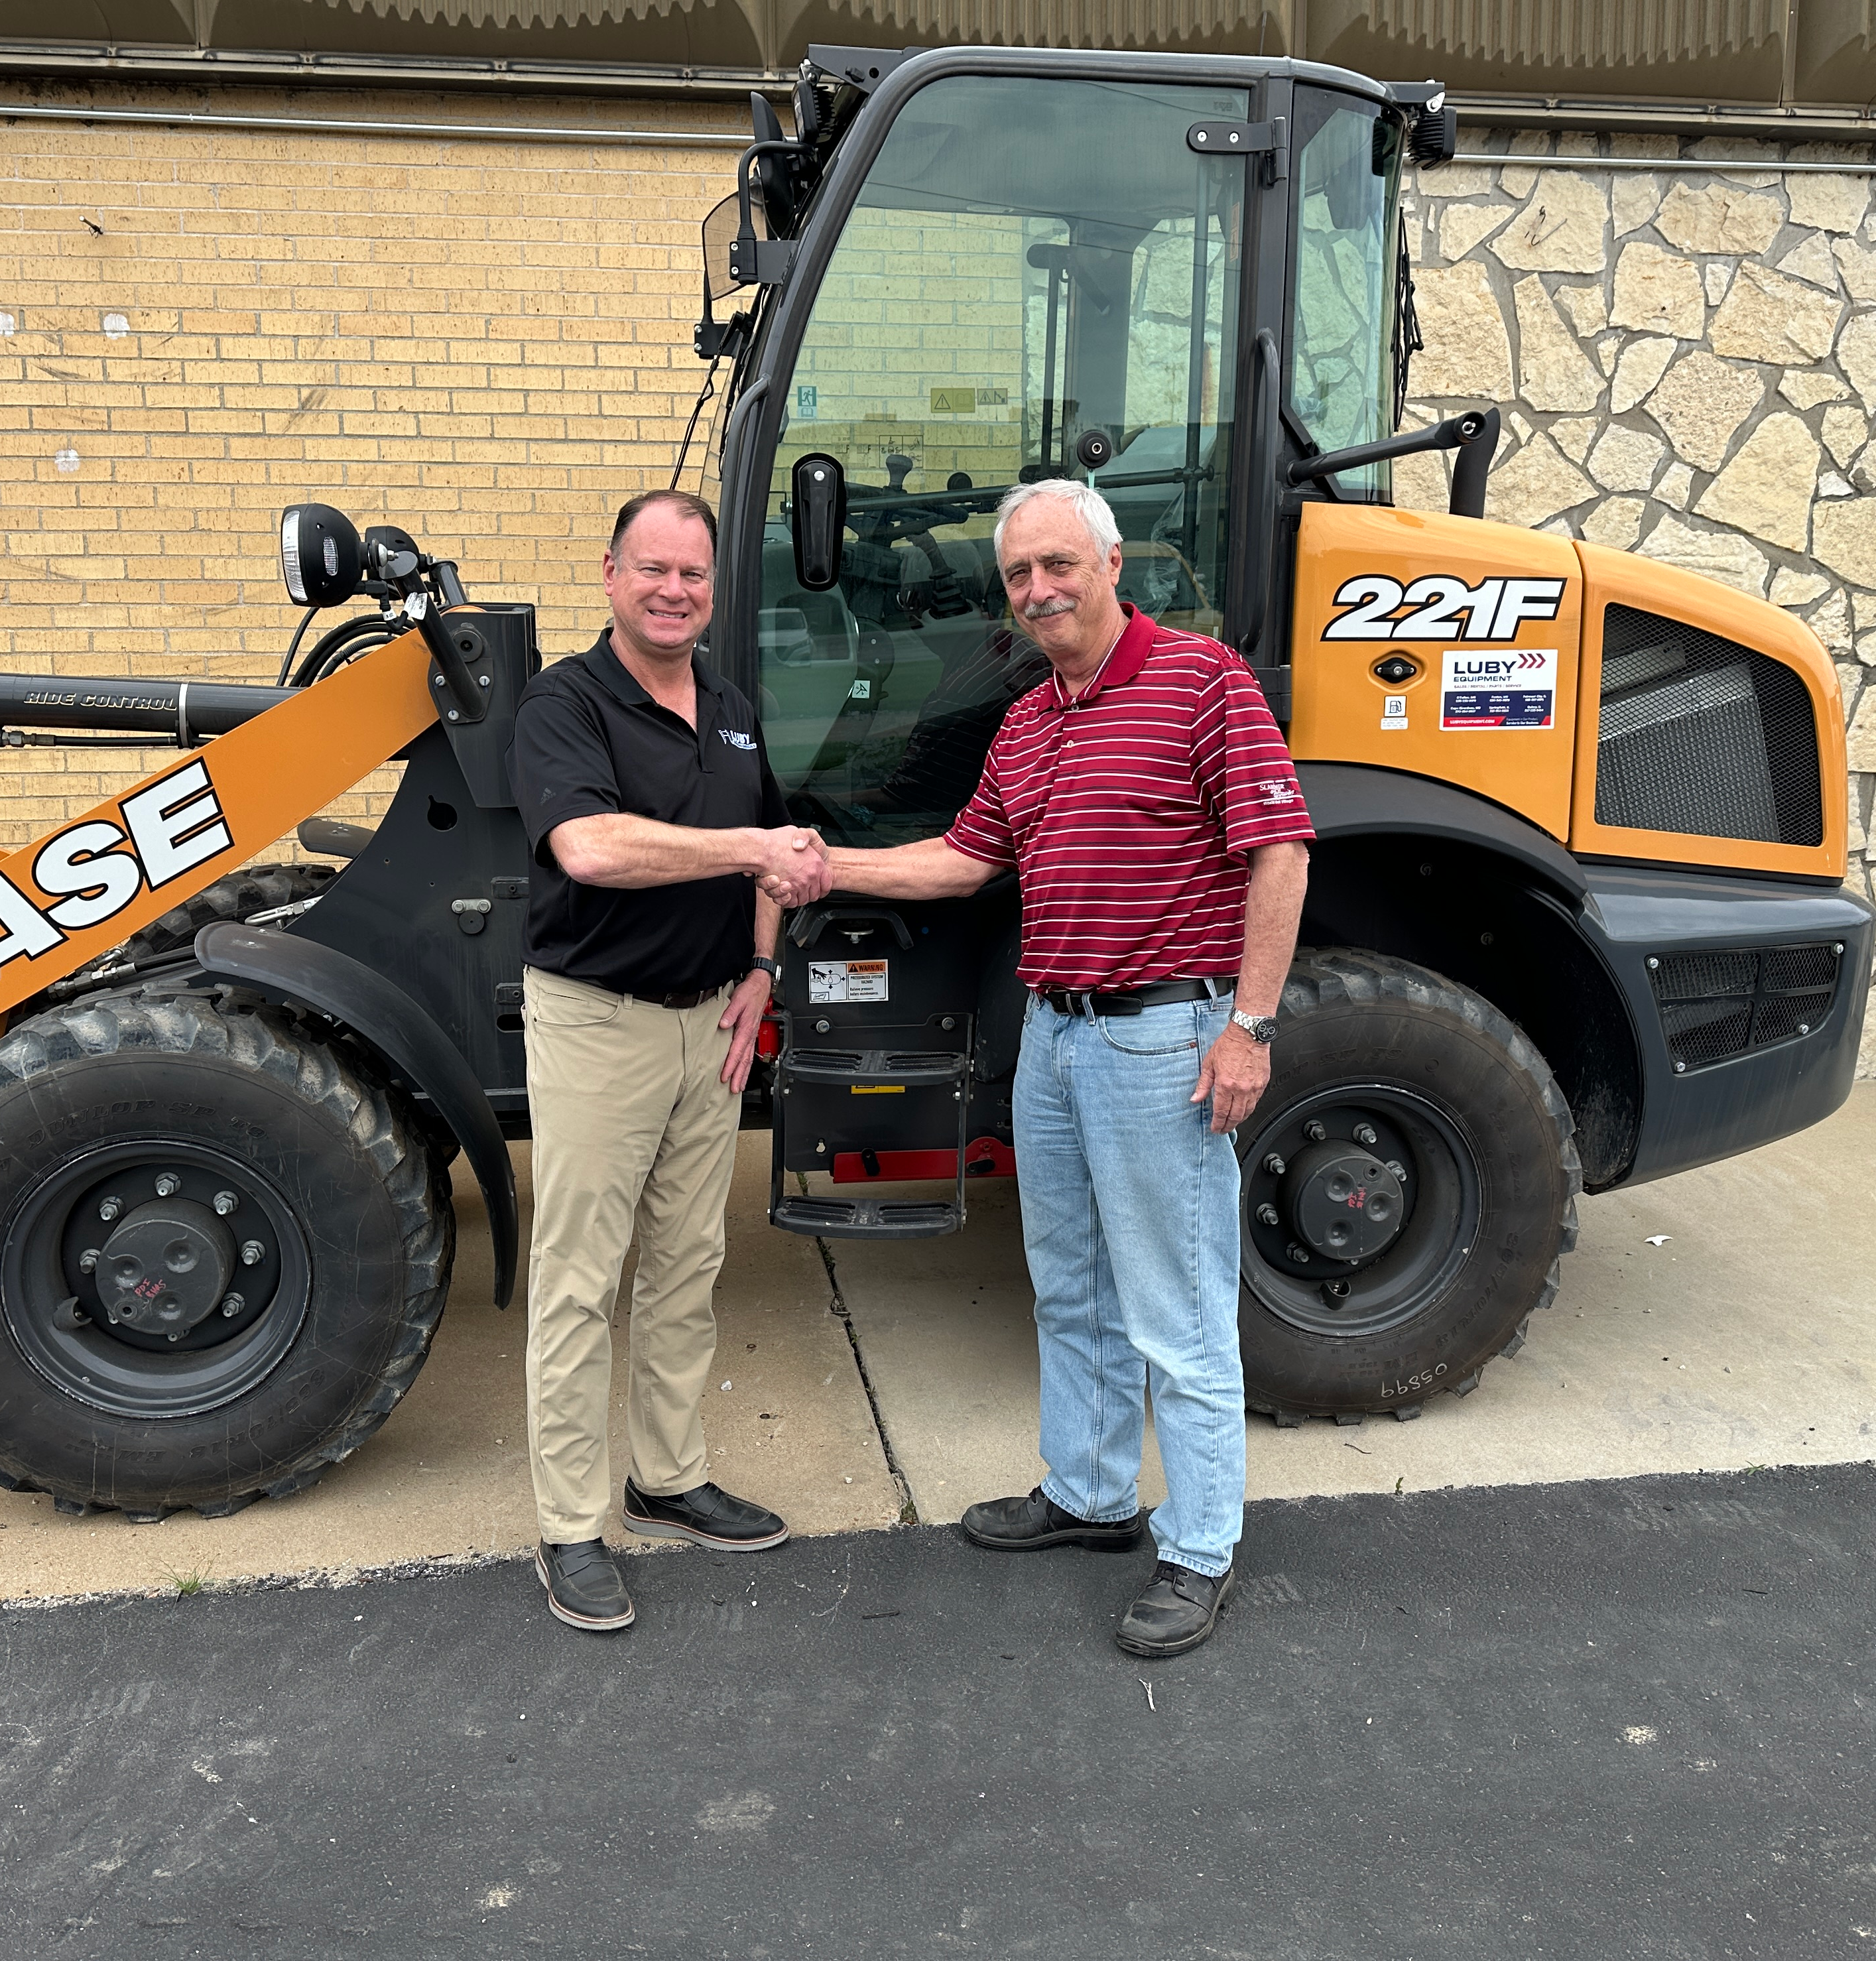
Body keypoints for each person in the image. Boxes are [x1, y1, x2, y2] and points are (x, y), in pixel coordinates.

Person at [820, 477, 1312, 1658]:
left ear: (1110, 566)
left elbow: (1281, 852)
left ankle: (1200, 1548)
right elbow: (960, 861)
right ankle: (1090, 1496)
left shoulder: (1203, 680)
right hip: (1056, 1035)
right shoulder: (1030, 722)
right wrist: (825, 866)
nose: (1040, 590)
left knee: (1176, 1308)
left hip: (1162, 1039)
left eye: (1058, 566)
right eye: (1019, 576)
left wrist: (1249, 1028)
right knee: (1072, 1284)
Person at [509, 487, 832, 1633]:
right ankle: (569, 1528)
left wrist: (762, 970)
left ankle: (667, 1478)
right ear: (611, 575)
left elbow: (770, 862)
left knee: (688, 1265)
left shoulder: (729, 709)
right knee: (580, 1281)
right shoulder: (565, 704)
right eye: (652, 569)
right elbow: (589, 848)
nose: (673, 591)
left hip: (712, 1025)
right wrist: (750, 847)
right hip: (600, 1024)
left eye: (693, 574)